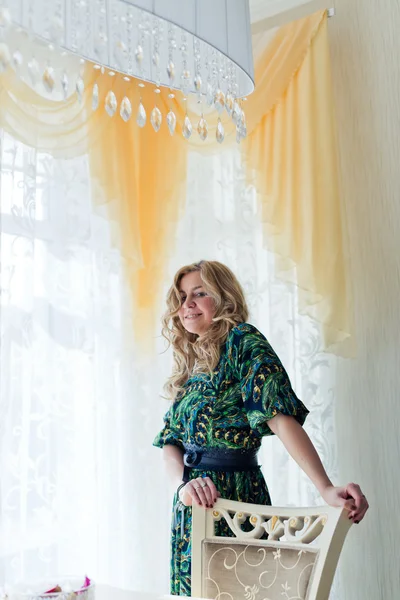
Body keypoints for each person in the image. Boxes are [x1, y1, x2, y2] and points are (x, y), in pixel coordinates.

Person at [153, 260, 369, 597]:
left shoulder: (242, 340)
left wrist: (325, 488)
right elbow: (170, 443)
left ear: (224, 298)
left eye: (199, 293)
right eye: (181, 297)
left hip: (235, 499)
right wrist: (183, 486)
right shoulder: (191, 363)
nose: (187, 304)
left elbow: (279, 417)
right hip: (190, 508)